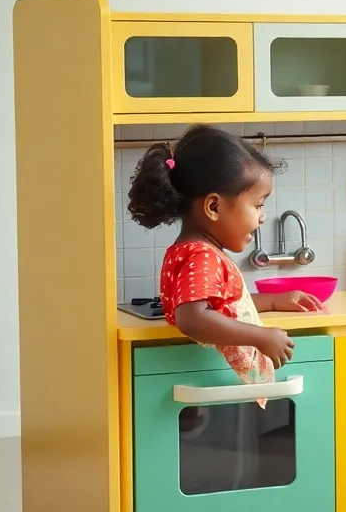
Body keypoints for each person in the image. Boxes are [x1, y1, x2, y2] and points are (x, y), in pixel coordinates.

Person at [126, 125, 325, 410]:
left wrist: (271, 301)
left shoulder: (196, 251)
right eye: (257, 205)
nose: (262, 217)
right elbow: (193, 318)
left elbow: (219, 307)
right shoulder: (201, 256)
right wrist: (260, 336)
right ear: (214, 207)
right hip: (213, 374)